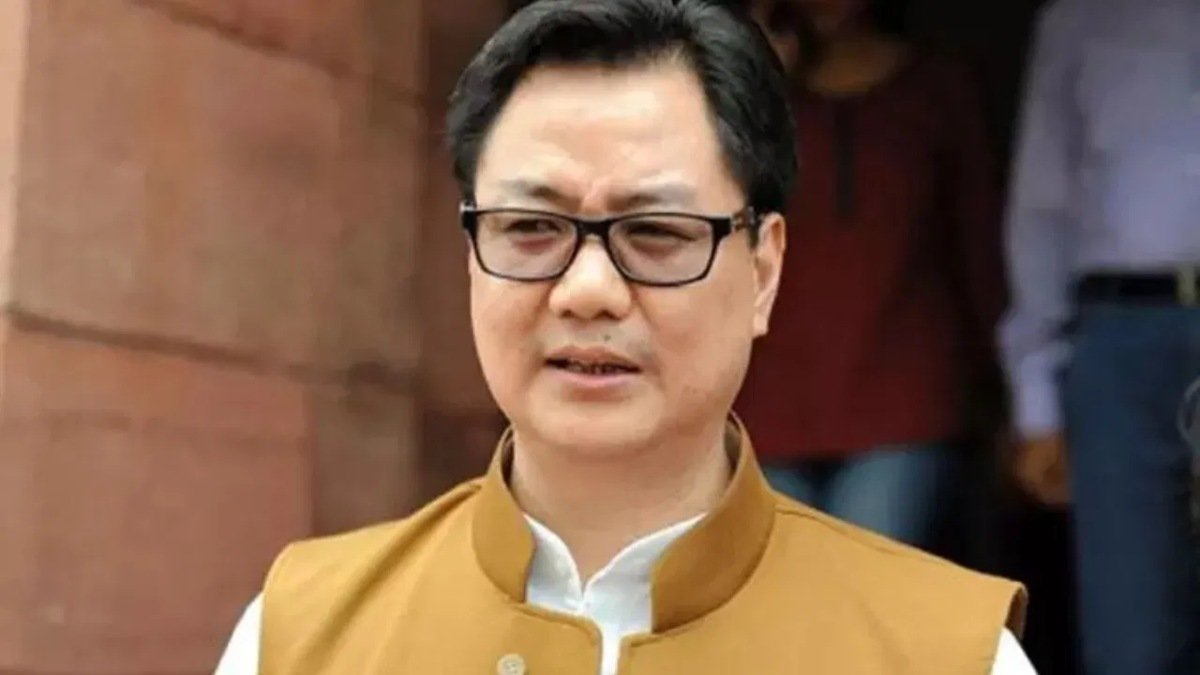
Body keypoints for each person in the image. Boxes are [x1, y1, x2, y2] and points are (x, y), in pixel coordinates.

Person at [215, 1, 1035, 672]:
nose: (588, 290)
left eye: (657, 232)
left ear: (763, 271)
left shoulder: (949, 653)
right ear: (471, 255)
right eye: (530, 227)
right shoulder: (298, 636)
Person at [737, 0, 1008, 549]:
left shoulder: (937, 89)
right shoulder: (747, 101)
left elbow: (979, 250)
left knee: (865, 593)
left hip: (907, 405)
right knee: (785, 597)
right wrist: (753, 77)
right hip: (764, 406)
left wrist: (1012, 396)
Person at [1001, 0, 1200, 672]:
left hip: (1126, 337)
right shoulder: (1080, 18)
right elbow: (1042, 207)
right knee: (1130, 633)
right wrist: (1035, 397)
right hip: (1119, 335)